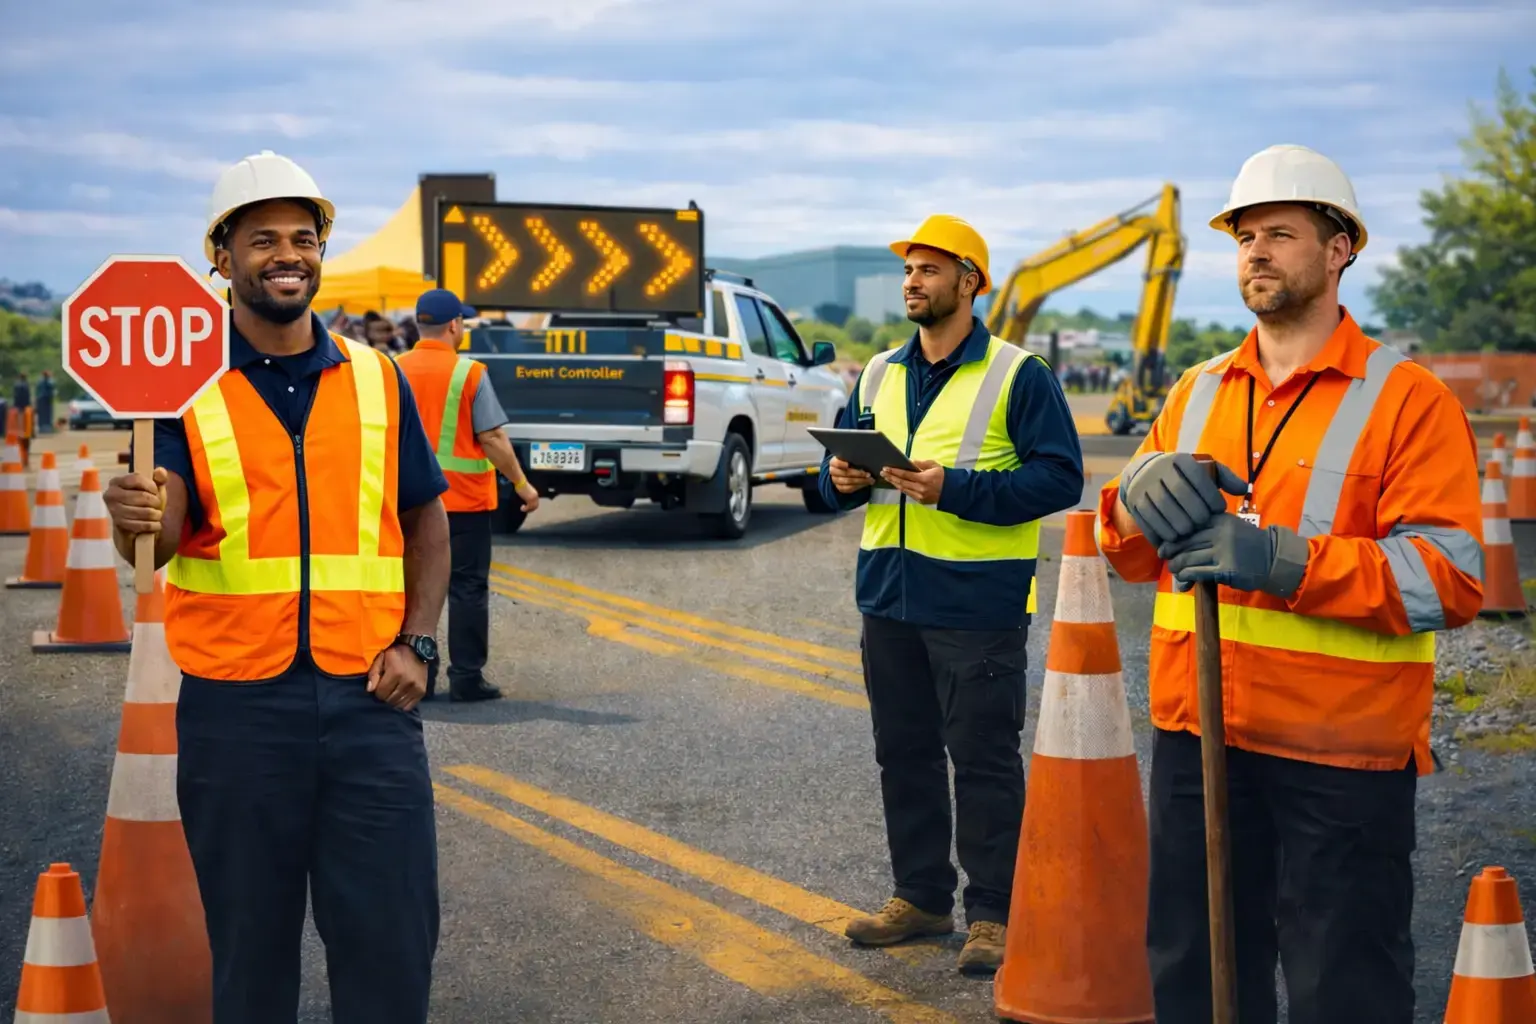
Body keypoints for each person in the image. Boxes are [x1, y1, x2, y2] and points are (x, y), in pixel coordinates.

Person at [1097, 144, 1485, 1022]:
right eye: (1243, 237)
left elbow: (1452, 579)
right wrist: (1125, 506)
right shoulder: (1194, 392)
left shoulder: (1407, 400)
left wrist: (1283, 561)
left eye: (1280, 233)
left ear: (1340, 247)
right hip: (1202, 742)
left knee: (1340, 984)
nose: (1256, 252)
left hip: (1340, 758)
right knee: (1194, 976)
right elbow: (1122, 551)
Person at [102, 149, 451, 1024]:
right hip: (237, 715)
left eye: (303, 237)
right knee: (252, 961)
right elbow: (165, 529)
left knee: (392, 949)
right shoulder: (182, 390)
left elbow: (426, 520)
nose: (286, 254)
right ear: (221, 257)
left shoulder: (378, 376)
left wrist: (419, 641)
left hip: (372, 704)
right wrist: (133, 512)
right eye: (262, 240)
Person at [818, 214, 1084, 974]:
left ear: (970, 282)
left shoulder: (1018, 374)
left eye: (930, 269)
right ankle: (922, 897)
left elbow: (1059, 478)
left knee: (985, 761)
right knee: (902, 754)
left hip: (977, 606)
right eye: (908, 269)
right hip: (890, 599)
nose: (912, 281)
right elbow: (837, 476)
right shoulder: (877, 372)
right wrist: (837, 481)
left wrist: (952, 488)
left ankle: (996, 914)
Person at [396, 287, 540, 702]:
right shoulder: (469, 373)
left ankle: (419, 671)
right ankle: (465, 677)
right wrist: (521, 483)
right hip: (463, 504)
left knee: (413, 587)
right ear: (455, 325)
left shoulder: (393, 368)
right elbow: (492, 437)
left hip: (406, 504)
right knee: (466, 588)